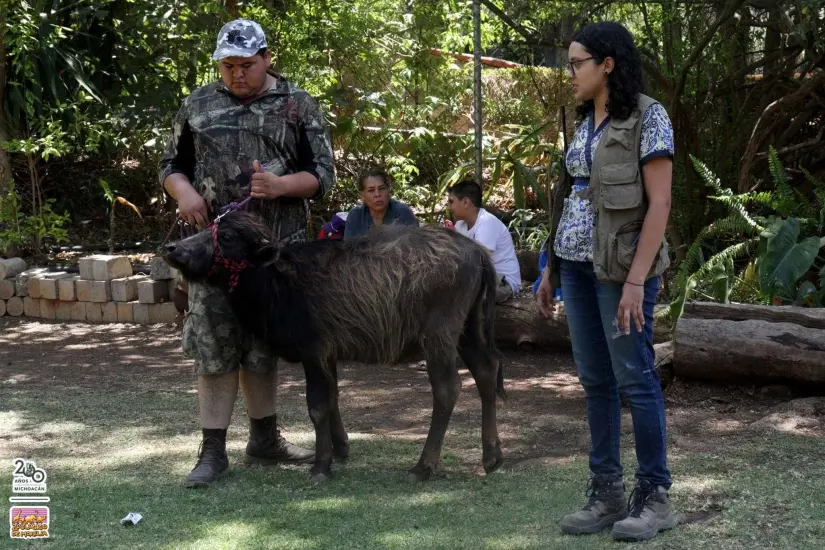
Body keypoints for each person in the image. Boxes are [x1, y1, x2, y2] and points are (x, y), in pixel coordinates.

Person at [158, 18, 335, 488]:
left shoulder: (297, 104)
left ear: (267, 58)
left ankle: (264, 438)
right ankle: (212, 451)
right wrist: (184, 193)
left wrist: (281, 185)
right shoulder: (198, 103)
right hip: (211, 256)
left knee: (264, 347)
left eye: (246, 65)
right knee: (214, 345)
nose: (237, 74)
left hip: (275, 256)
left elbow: (323, 176)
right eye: (228, 65)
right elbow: (170, 165)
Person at [535, 22, 677, 542]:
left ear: (607, 64)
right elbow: (571, 197)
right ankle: (607, 492)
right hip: (574, 267)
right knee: (595, 382)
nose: (569, 72)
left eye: (577, 63)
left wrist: (638, 281)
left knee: (635, 379)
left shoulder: (648, 116)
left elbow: (659, 204)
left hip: (620, 273)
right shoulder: (582, 121)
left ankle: (654, 496)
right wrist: (549, 268)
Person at [446, 180, 521, 303]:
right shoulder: (460, 225)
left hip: (503, 281)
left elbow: (478, 262)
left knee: (460, 297)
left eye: (451, 202)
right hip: (481, 278)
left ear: (465, 202)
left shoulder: (487, 222)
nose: (449, 207)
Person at [343, 168, 418, 239]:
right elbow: (349, 249)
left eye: (382, 188)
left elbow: (417, 247)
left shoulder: (403, 212)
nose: (377, 194)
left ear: (389, 191)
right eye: (371, 190)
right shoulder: (356, 215)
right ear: (362, 196)